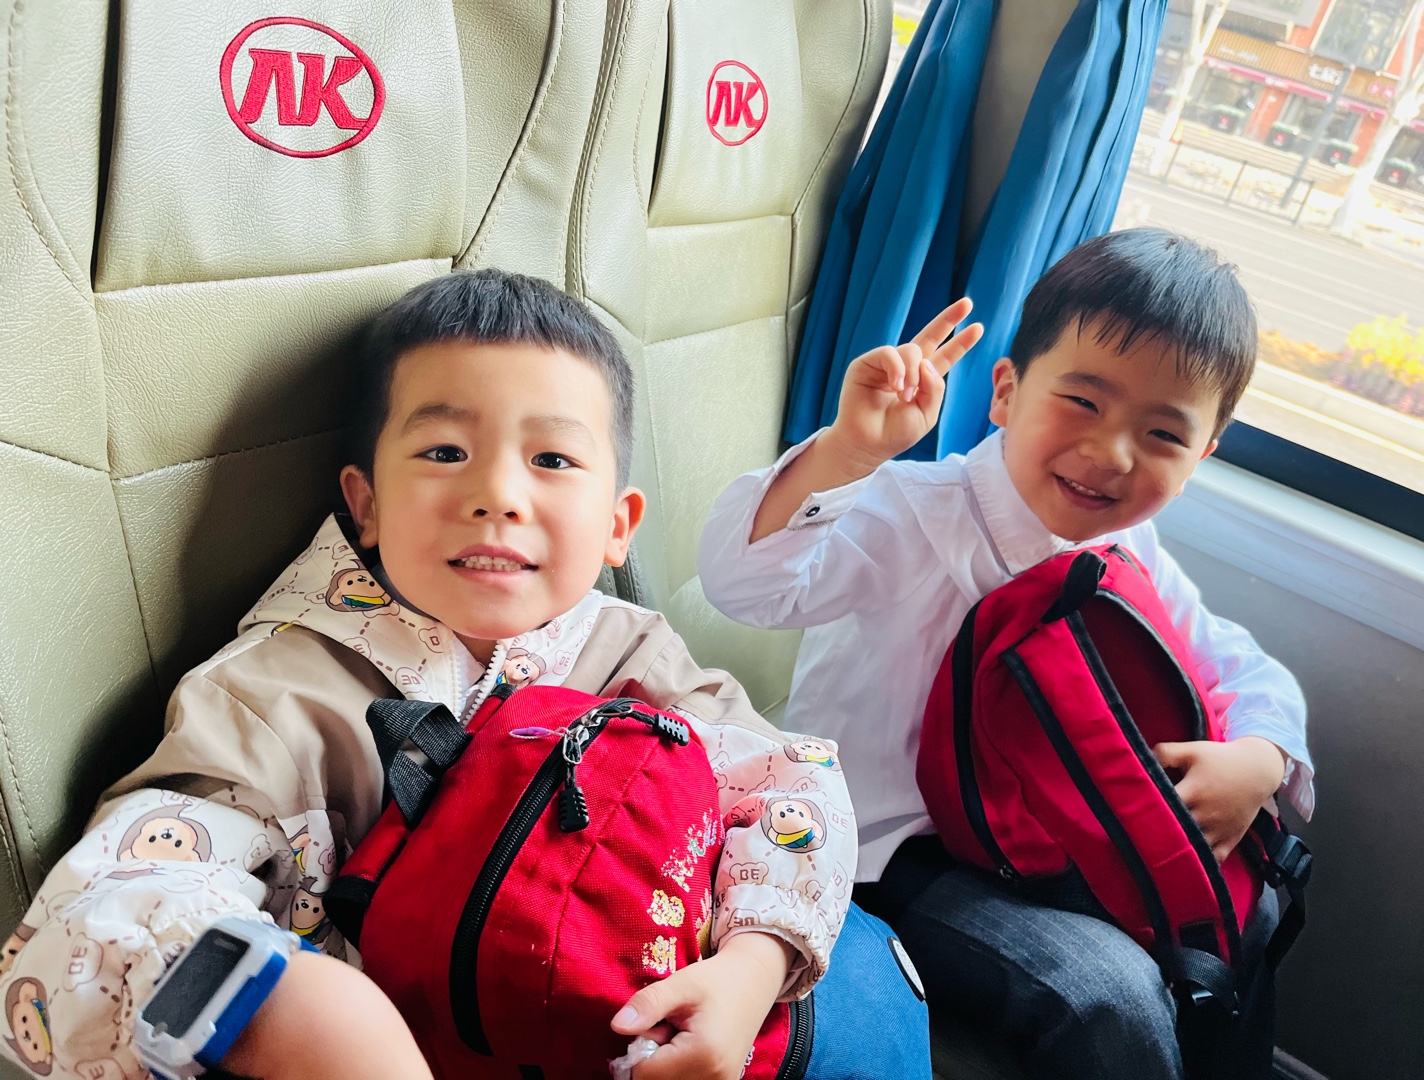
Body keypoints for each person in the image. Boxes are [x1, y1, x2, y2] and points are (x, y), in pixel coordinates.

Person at [0, 270, 925, 1080]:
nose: (498, 495)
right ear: (365, 503)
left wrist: (752, 968)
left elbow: (788, 785)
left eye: (552, 460)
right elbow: (107, 907)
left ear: (617, 525)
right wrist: (290, 1004)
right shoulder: (274, 695)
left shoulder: (631, 655)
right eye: (445, 453)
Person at [697, 228, 1314, 1079]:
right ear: (1005, 392)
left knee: (1243, 918)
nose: (1112, 454)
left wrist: (1261, 755)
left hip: (1047, 835)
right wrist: (850, 452)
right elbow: (747, 586)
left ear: (1201, 456)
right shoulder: (914, 513)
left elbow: (1235, 663)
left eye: (1163, 436)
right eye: (1083, 402)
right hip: (888, 848)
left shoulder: (1129, 549)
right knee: (1107, 992)